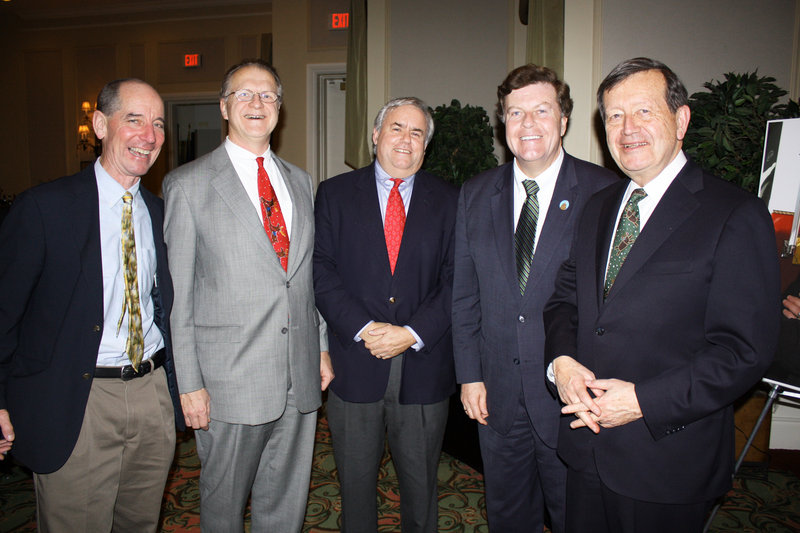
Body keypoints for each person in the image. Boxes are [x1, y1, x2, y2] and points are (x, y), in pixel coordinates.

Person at [543, 57, 780, 533]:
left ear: (682, 119)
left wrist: (644, 401)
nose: (627, 128)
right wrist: (561, 363)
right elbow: (565, 301)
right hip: (584, 449)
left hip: (665, 460)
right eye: (614, 115)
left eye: (644, 111)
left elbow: (743, 352)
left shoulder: (735, 215)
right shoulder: (598, 206)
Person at [0, 78, 183, 532]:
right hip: (76, 399)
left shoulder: (160, 213)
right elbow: (5, 313)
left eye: (158, 123)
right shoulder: (44, 207)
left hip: (151, 393)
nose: (149, 135)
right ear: (101, 124)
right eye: (134, 119)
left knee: (140, 524)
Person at [162, 59, 332, 532]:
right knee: (223, 506)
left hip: (298, 375)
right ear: (223, 106)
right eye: (244, 94)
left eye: (268, 96)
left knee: (286, 504)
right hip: (227, 384)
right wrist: (189, 383)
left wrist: (319, 345)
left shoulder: (299, 181)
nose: (257, 104)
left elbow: (303, 277)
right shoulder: (188, 185)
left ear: (280, 108)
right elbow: (179, 299)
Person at [451, 64, 617, 533]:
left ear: (564, 120)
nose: (528, 124)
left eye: (541, 111)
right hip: (496, 391)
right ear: (503, 124)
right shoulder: (475, 193)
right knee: (507, 515)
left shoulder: (604, 192)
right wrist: (469, 375)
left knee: (576, 516)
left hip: (571, 397)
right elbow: (465, 295)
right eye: (515, 113)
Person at [313, 96, 457, 532]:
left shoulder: (451, 200)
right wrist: (363, 327)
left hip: (424, 367)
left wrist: (412, 331)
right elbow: (320, 270)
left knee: (421, 489)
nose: (405, 140)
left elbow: (458, 279)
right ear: (376, 135)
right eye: (396, 128)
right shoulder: (334, 193)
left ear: (426, 145)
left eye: (417, 132)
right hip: (354, 363)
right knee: (355, 488)